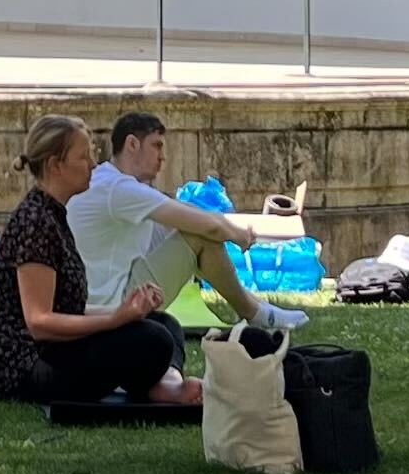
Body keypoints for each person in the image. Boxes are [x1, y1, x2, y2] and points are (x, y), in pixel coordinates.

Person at [0, 115, 197, 406]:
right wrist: (114, 319)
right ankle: (158, 386)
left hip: (55, 350)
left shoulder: (54, 214)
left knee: (163, 324)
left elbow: (67, 309)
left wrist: (127, 311)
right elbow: (39, 323)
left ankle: (166, 384)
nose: (94, 165)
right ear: (55, 165)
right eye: (84, 157)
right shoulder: (35, 222)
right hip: (29, 368)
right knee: (152, 339)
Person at [67, 111, 304, 333]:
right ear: (132, 144)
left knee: (191, 228)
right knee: (200, 236)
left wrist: (226, 226)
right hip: (111, 307)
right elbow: (206, 226)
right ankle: (256, 315)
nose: (162, 156)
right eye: (156, 146)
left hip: (100, 297)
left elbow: (184, 211)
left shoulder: (113, 182)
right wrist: (238, 235)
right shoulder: (119, 188)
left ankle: (259, 309)